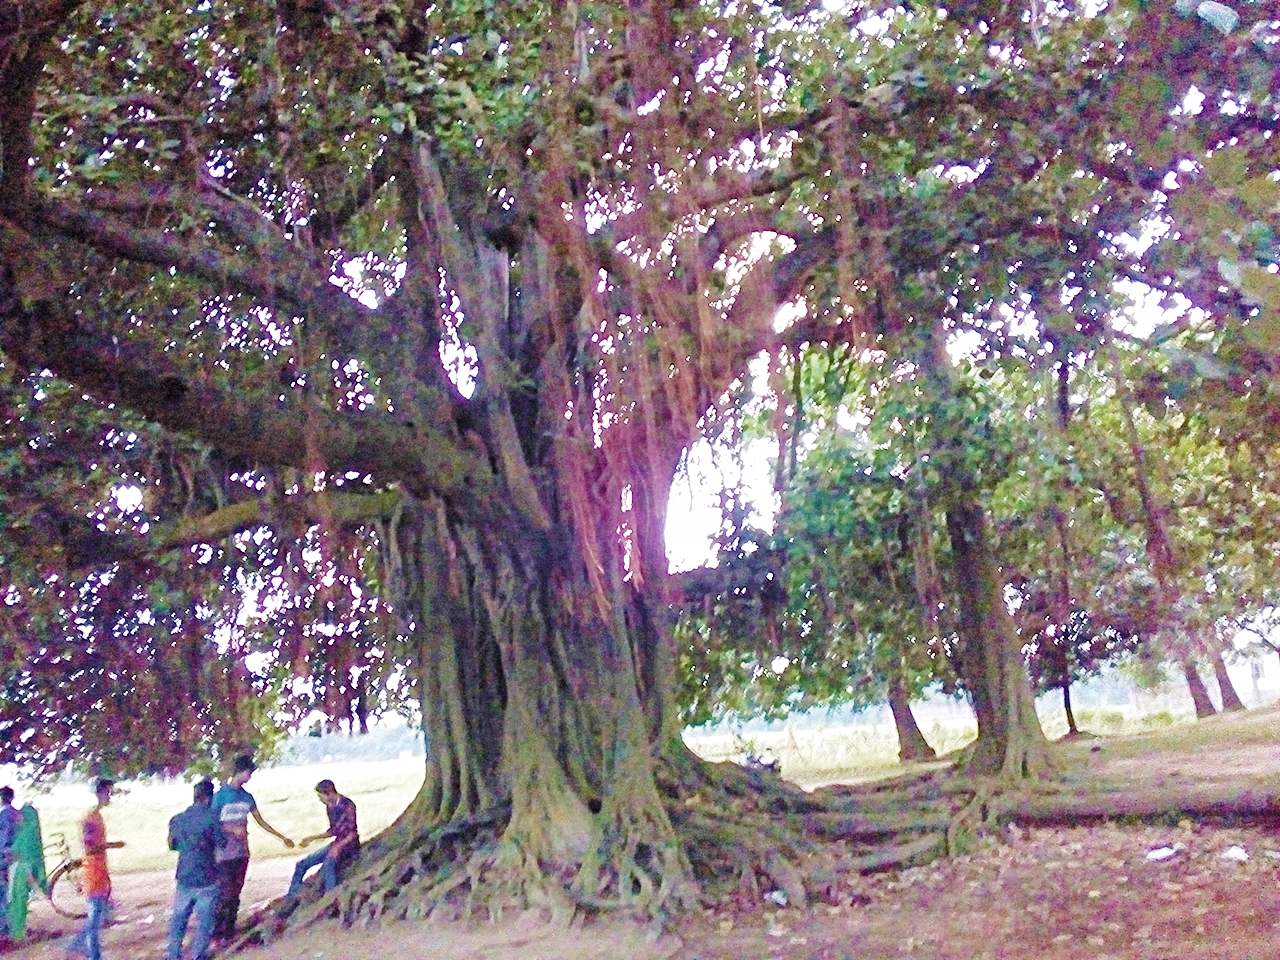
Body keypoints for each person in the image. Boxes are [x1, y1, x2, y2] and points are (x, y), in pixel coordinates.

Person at [210, 755, 293, 944]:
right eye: (248, 773)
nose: (250, 777)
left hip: (241, 852)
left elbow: (260, 820)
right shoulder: (220, 796)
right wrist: (232, 830)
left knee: (236, 892)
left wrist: (281, 837)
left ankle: (229, 931)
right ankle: (217, 932)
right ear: (239, 772)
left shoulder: (247, 797)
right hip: (223, 853)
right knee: (224, 892)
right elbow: (213, 822)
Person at [164, 779, 224, 960]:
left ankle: (173, 954)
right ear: (209, 797)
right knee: (204, 921)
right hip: (207, 875)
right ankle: (198, 954)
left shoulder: (177, 819)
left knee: (179, 918)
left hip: (184, 875)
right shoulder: (212, 818)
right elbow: (221, 843)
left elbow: (172, 845)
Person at [66, 779, 124, 960]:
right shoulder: (90, 818)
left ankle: (80, 946)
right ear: (99, 793)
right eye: (108, 792)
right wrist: (112, 845)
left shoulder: (95, 816)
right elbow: (89, 847)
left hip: (98, 871)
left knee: (98, 916)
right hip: (93, 873)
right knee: (94, 919)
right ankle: (90, 953)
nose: (110, 796)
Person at [286, 780, 360, 900]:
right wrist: (312, 838)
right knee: (302, 864)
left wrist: (337, 847)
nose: (320, 800)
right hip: (337, 842)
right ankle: (292, 897)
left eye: (321, 797)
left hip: (349, 845)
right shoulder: (330, 807)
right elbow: (333, 830)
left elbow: (352, 833)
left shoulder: (347, 805)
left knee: (328, 863)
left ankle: (330, 896)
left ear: (329, 793)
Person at [6, 802, 49, 944]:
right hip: (25, 870)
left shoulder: (25, 833)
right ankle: (19, 933)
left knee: (16, 902)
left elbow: (16, 852)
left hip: (20, 871)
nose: (17, 817)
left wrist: (7, 854)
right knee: (20, 903)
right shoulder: (32, 833)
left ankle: (18, 934)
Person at [0, 785, 21, 945]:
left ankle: (5, 928)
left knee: (3, 893)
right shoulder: (17, 813)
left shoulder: (3, 814)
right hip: (17, 856)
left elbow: (5, 836)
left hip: (4, 857)